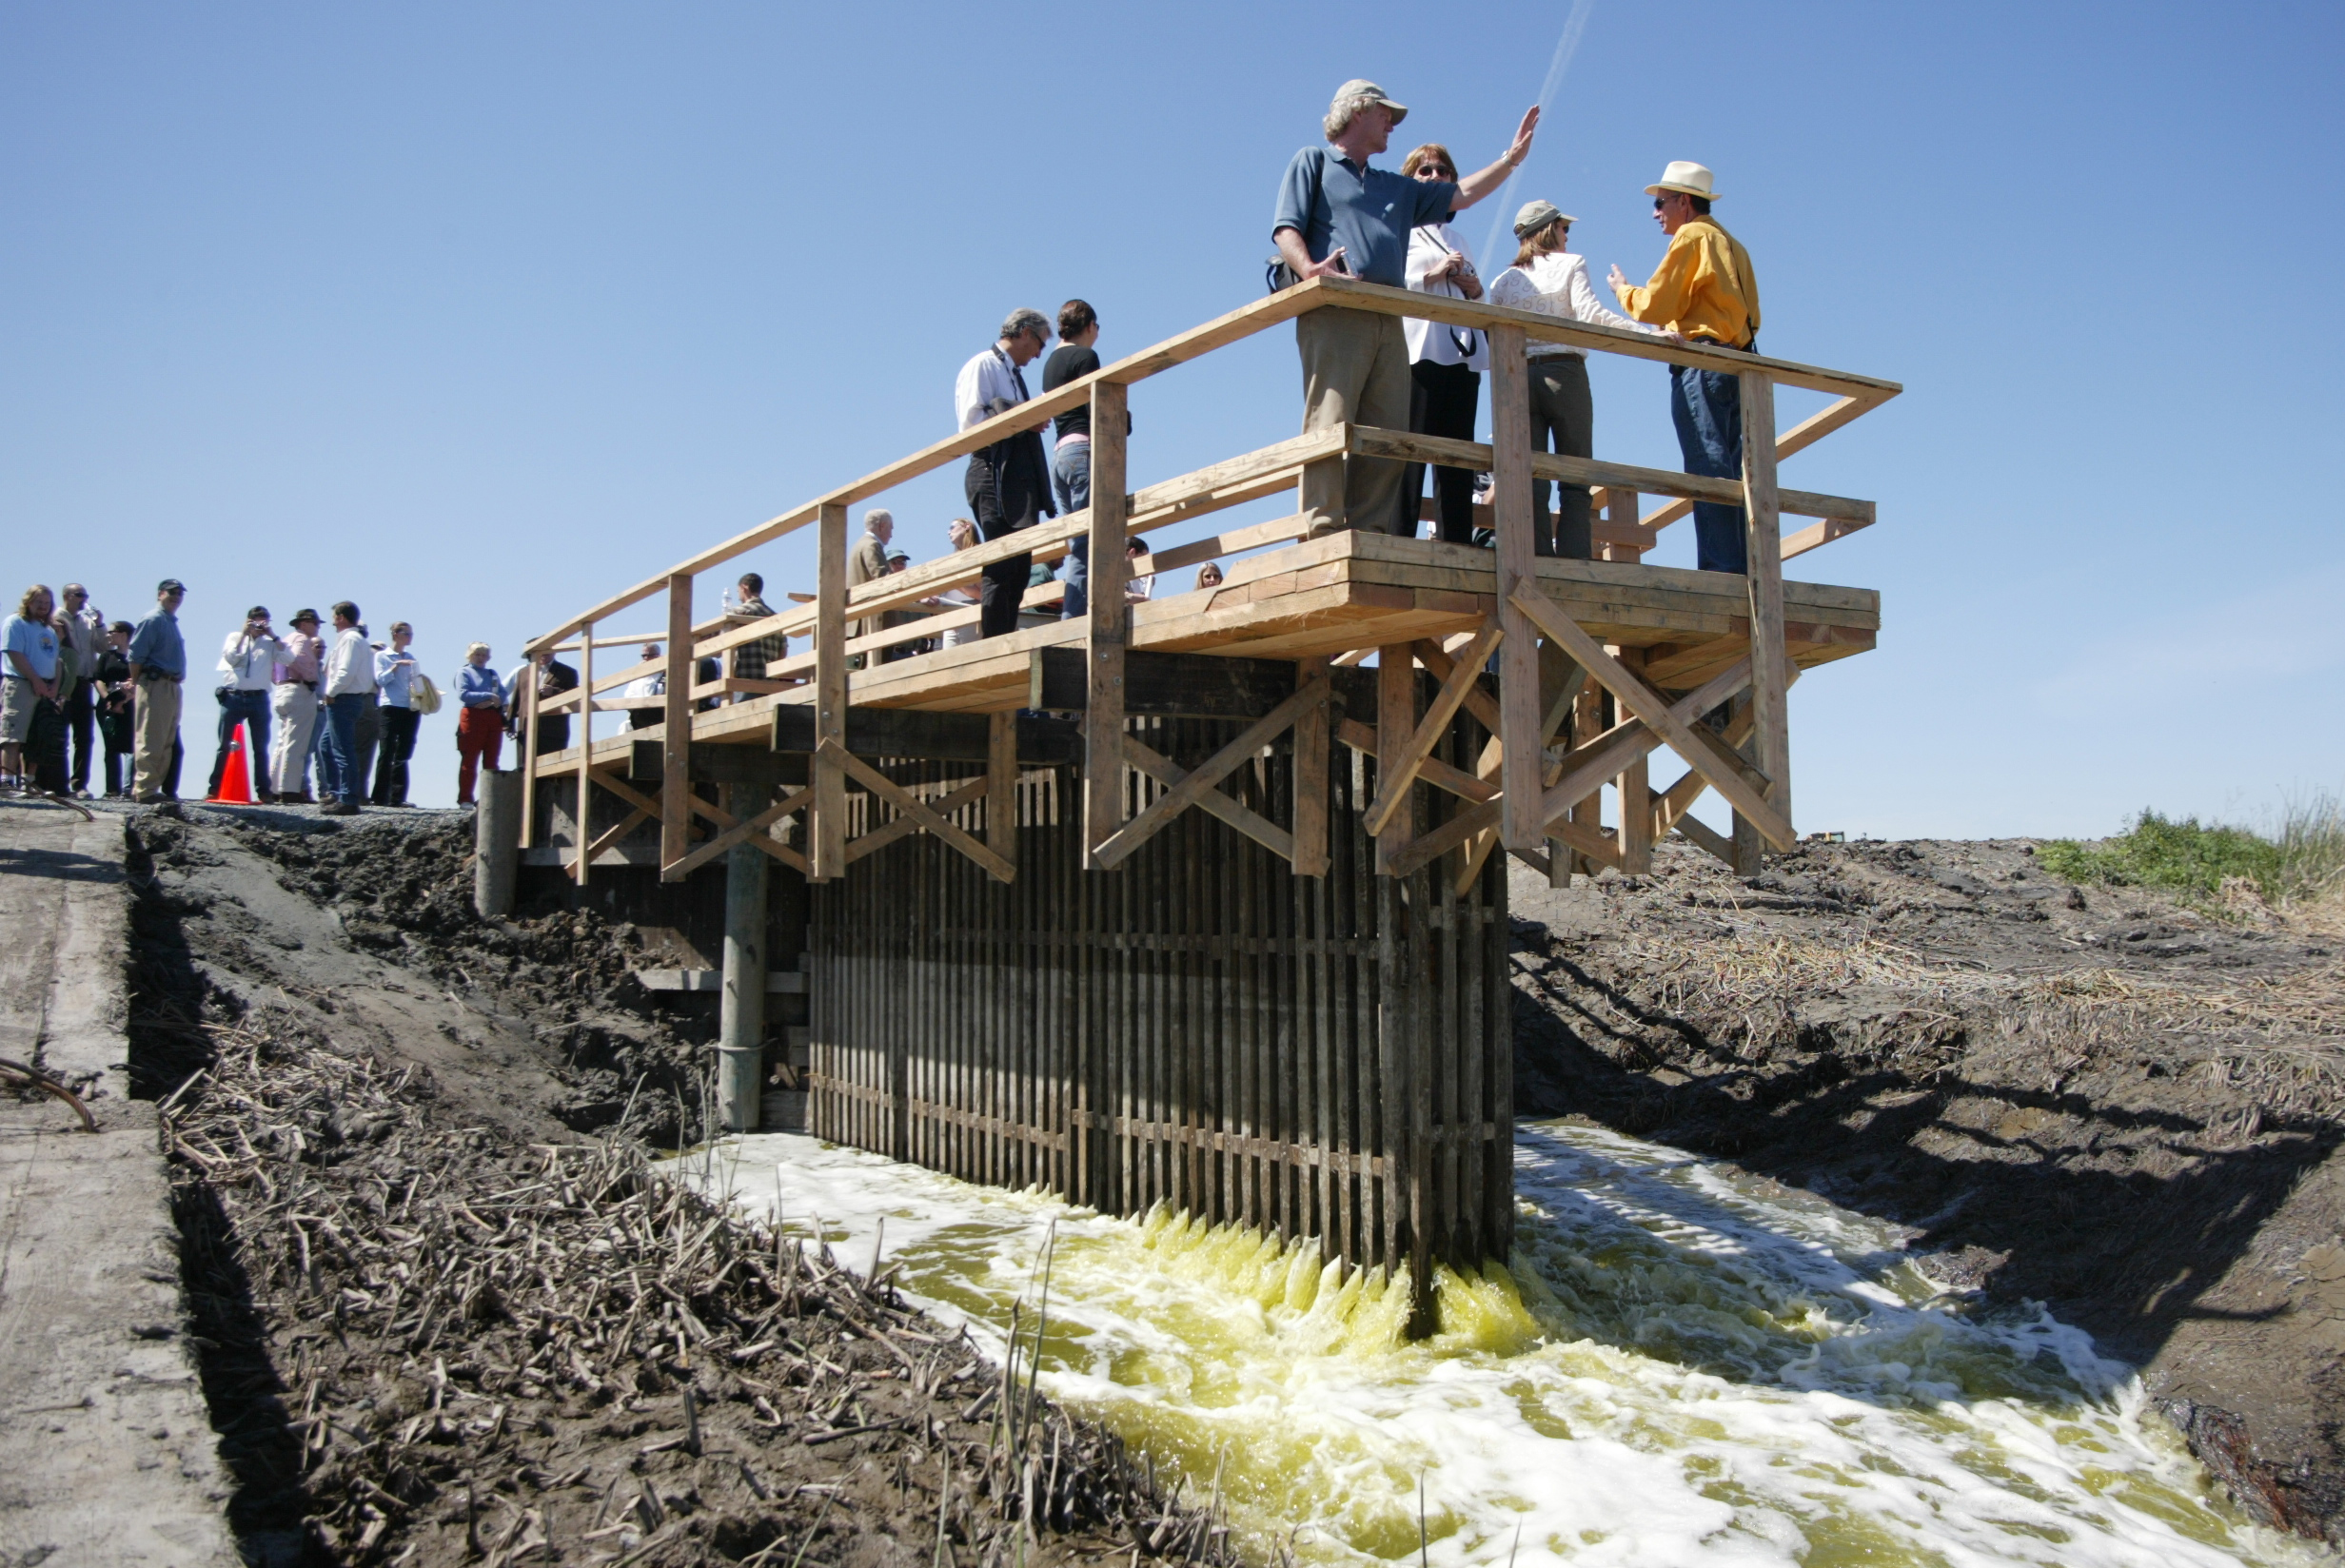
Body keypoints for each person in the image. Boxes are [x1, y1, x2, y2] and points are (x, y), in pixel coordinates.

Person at [1271, 81, 1538, 538]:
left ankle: (1370, 530)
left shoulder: (1393, 186)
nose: (1392, 124)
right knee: (1330, 416)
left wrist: (1511, 159)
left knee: (1387, 427)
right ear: (1358, 112)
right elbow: (1285, 229)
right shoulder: (1313, 162)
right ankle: (1321, 528)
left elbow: (1463, 195)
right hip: (1335, 307)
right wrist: (1311, 269)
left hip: (1389, 314)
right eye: (1385, 114)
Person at [1489, 200, 1668, 559]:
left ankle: (1533, 557)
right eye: (1563, 227)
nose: (1567, 235)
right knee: (1575, 474)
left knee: (1530, 478)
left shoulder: (1503, 282)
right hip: (1564, 372)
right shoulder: (1571, 263)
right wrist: (1646, 334)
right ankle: (1573, 560)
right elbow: (1591, 315)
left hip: (1517, 377)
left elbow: (1494, 335)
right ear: (1549, 229)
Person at [1606, 161, 1761, 574]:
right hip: (1737, 361)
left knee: (1706, 465)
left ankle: (1720, 570)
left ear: (1684, 203)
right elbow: (1747, 315)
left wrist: (1624, 291)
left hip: (1702, 361)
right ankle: (1739, 567)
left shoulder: (1692, 236)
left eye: (1660, 203)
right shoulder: (1732, 243)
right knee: (1730, 467)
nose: (1656, 212)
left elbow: (1657, 303)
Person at [1394, 145, 1490, 544]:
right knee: (1409, 450)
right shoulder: (1401, 231)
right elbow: (1393, 283)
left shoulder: (1459, 237)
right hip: (1418, 350)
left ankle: (1457, 542)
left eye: (1442, 171)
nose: (1435, 177)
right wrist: (1432, 274)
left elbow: (1479, 300)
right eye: (1424, 170)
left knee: (1458, 456)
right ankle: (1399, 540)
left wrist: (1473, 287)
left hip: (1460, 352)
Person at [954, 308, 1058, 637]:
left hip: (1014, 476)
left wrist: (1028, 418)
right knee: (1001, 562)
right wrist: (1024, 417)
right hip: (991, 470)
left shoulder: (1012, 374)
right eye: (1040, 343)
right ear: (1025, 332)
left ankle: (1003, 636)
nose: (1039, 353)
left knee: (1020, 564)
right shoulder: (983, 364)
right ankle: (993, 644)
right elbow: (973, 424)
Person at [1041, 299, 1134, 618]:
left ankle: (1077, 610)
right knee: (1091, 541)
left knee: (1077, 543)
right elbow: (1098, 407)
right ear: (1090, 326)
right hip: (1083, 449)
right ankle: (1077, 617)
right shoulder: (1086, 356)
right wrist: (1125, 419)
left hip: (1059, 453)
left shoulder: (1051, 363)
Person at [208, 606, 286, 800]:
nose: (260, 625)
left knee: (260, 748)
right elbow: (230, 657)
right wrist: (244, 635)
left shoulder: (269, 644)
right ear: (248, 621)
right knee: (224, 745)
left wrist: (273, 636)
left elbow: (288, 657)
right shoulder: (235, 637)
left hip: (258, 699)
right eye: (256, 621)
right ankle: (215, 788)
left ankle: (264, 791)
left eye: (264, 622)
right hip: (233, 697)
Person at [127, 578, 188, 803]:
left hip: (172, 685)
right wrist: (136, 683)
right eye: (172, 592)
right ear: (160, 593)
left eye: (180, 593)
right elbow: (136, 655)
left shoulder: (170, 622)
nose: (176, 597)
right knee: (151, 738)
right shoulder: (152, 619)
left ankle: (153, 788)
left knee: (165, 741)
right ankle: (144, 789)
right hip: (155, 684)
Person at [314, 601, 375, 815]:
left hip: (343, 699)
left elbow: (346, 671)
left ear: (341, 617)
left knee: (343, 749)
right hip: (348, 698)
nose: (332, 620)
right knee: (326, 745)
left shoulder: (350, 640)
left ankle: (348, 798)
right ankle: (337, 793)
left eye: (334, 616)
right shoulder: (354, 639)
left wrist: (331, 692)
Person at [3, 586, 63, 794]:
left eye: (47, 603)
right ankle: (6, 781)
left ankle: (29, 783)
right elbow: (14, 653)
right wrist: (35, 679)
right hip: (21, 684)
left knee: (39, 736)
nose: (43, 607)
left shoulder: (48, 630)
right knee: (13, 735)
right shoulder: (16, 623)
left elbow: (57, 660)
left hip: (44, 687)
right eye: (39, 603)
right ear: (28, 602)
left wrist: (54, 685)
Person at [270, 608, 325, 803]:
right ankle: (290, 790)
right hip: (298, 690)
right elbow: (296, 660)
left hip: (282, 689)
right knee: (296, 744)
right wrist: (310, 678)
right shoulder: (302, 640)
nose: (318, 627)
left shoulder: (285, 640)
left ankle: (275, 788)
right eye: (315, 623)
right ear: (303, 624)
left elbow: (274, 666)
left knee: (282, 742)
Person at [56, 584, 104, 797]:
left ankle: (80, 783)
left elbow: (102, 647)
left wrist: (100, 625)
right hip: (63, 683)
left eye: (85, 595)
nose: (84, 599)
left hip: (85, 683)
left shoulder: (87, 622)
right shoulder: (55, 617)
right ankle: (58, 782)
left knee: (84, 737)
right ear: (67, 596)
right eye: (79, 595)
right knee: (60, 735)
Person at [369, 622, 421, 806]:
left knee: (403, 753)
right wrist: (396, 666)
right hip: (390, 707)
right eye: (406, 633)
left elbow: (415, 683)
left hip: (409, 708)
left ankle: (398, 797)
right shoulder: (382, 656)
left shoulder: (411, 657)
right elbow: (380, 680)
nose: (409, 637)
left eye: (411, 633)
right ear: (396, 634)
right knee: (387, 751)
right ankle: (379, 797)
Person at [454, 643, 504, 805]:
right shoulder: (464, 672)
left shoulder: (492, 674)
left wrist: (491, 701)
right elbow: (464, 694)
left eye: (484, 655)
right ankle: (465, 798)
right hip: (473, 717)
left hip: (492, 716)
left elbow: (503, 695)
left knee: (492, 759)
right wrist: (488, 696)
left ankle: (490, 798)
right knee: (470, 759)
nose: (481, 658)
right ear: (470, 655)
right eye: (477, 654)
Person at [845, 510, 893, 665]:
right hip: (869, 623)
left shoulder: (859, 544)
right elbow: (883, 578)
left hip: (858, 622)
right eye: (891, 529)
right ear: (882, 526)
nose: (891, 534)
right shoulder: (871, 545)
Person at [94, 621, 136, 797]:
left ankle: (131, 787)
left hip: (131, 705)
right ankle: (112, 788)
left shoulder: (136, 658)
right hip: (108, 706)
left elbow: (139, 681)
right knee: (110, 746)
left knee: (132, 746)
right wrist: (108, 700)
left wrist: (124, 700)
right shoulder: (106, 656)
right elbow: (98, 679)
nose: (108, 635)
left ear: (124, 634)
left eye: (112, 632)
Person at [728, 573, 786, 691]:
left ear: (744, 587)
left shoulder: (738, 612)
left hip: (744, 682)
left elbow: (721, 645)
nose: (738, 596)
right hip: (769, 684)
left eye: (738, 591)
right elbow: (783, 652)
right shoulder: (776, 617)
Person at [517, 648, 580, 755]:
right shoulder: (523, 672)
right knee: (525, 768)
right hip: (526, 729)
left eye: (547, 651)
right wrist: (508, 724)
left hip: (553, 731)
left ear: (554, 651)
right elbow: (517, 699)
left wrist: (553, 691)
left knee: (551, 767)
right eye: (541, 651)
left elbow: (576, 695)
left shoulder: (567, 672)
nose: (543, 655)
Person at [936, 518, 983, 650]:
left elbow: (982, 593)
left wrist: (953, 582)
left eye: (952, 527)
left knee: (969, 661)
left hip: (970, 614)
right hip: (950, 617)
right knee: (949, 665)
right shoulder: (953, 560)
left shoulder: (979, 553)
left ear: (967, 526)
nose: (948, 532)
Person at [621, 642, 665, 730]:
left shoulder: (665, 672)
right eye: (644, 655)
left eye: (650, 655)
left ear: (658, 655)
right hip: (638, 713)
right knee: (624, 727)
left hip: (659, 713)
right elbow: (629, 695)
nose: (646, 658)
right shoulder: (638, 674)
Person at [1124, 538, 1154, 602]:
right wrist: (1131, 597)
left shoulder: (1129, 580)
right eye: (1143, 558)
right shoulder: (1112, 568)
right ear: (1132, 552)